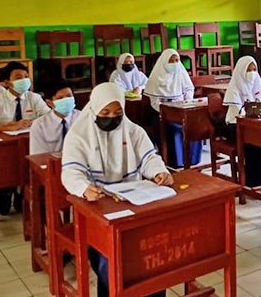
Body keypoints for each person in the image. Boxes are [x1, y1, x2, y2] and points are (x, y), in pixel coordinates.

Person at [61, 82, 171, 297]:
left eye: (118, 112)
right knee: (110, 264)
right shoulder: (79, 135)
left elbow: (149, 157)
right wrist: (84, 188)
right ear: (94, 109)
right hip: (99, 203)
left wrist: (158, 172)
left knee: (151, 255)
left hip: (134, 200)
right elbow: (71, 171)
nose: (112, 117)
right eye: (105, 112)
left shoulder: (132, 130)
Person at [0, 61, 50, 215]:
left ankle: (22, 191)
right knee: (2, 206)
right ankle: (6, 189)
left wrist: (35, 122)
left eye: (26, 76)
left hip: (30, 146)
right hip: (5, 151)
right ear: (6, 82)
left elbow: (49, 117)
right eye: (18, 77)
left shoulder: (34, 97)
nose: (24, 80)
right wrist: (8, 127)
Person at [222, 56, 261, 189]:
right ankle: (257, 183)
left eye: (254, 69)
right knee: (257, 144)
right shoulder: (235, 87)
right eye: (248, 70)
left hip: (258, 124)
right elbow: (237, 112)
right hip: (237, 126)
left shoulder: (258, 82)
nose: (252, 73)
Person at [143, 49, 201, 168]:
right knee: (173, 129)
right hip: (161, 112)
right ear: (164, 62)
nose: (175, 64)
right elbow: (154, 102)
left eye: (177, 60)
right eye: (171, 61)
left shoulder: (180, 72)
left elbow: (189, 89)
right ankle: (175, 161)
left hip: (181, 108)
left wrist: (186, 101)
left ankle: (192, 159)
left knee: (194, 125)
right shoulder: (156, 78)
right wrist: (167, 111)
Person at [30, 79, 80, 156]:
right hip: (52, 165)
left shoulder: (83, 118)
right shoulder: (39, 125)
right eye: (60, 98)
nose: (66, 100)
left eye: (69, 96)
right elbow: (38, 156)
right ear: (49, 102)